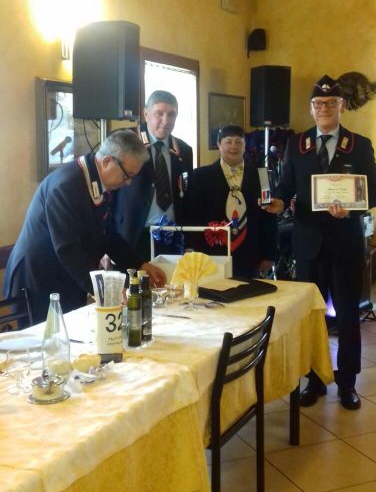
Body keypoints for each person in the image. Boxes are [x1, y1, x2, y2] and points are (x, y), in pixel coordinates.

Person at [264, 75, 376, 410]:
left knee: (347, 317)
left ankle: (347, 384)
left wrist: (352, 209)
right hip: (308, 246)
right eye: (319, 104)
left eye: (331, 103)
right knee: (311, 318)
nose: (324, 109)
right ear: (311, 108)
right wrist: (277, 203)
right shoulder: (297, 144)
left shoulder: (358, 144)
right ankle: (314, 380)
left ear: (342, 107)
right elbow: (285, 187)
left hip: (346, 245)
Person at [3, 129, 166, 323]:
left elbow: (107, 235)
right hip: (39, 279)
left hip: (67, 276)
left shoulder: (99, 181)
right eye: (127, 176)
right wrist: (103, 288)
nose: (129, 183)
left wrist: (140, 264)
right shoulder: (66, 185)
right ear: (107, 161)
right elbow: (68, 248)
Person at [188, 125, 277, 278]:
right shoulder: (200, 176)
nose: (234, 147)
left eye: (238, 142)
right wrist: (192, 248)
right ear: (219, 144)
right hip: (212, 253)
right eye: (228, 142)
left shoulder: (261, 175)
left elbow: (268, 216)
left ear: (245, 145)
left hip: (251, 254)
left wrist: (268, 255)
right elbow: (193, 215)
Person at [114, 90, 193, 260]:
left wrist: (190, 241)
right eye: (159, 113)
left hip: (172, 236)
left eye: (171, 115)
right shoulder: (124, 141)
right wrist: (106, 245)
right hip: (131, 235)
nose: (166, 121)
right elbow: (109, 192)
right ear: (146, 113)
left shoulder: (184, 150)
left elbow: (187, 197)